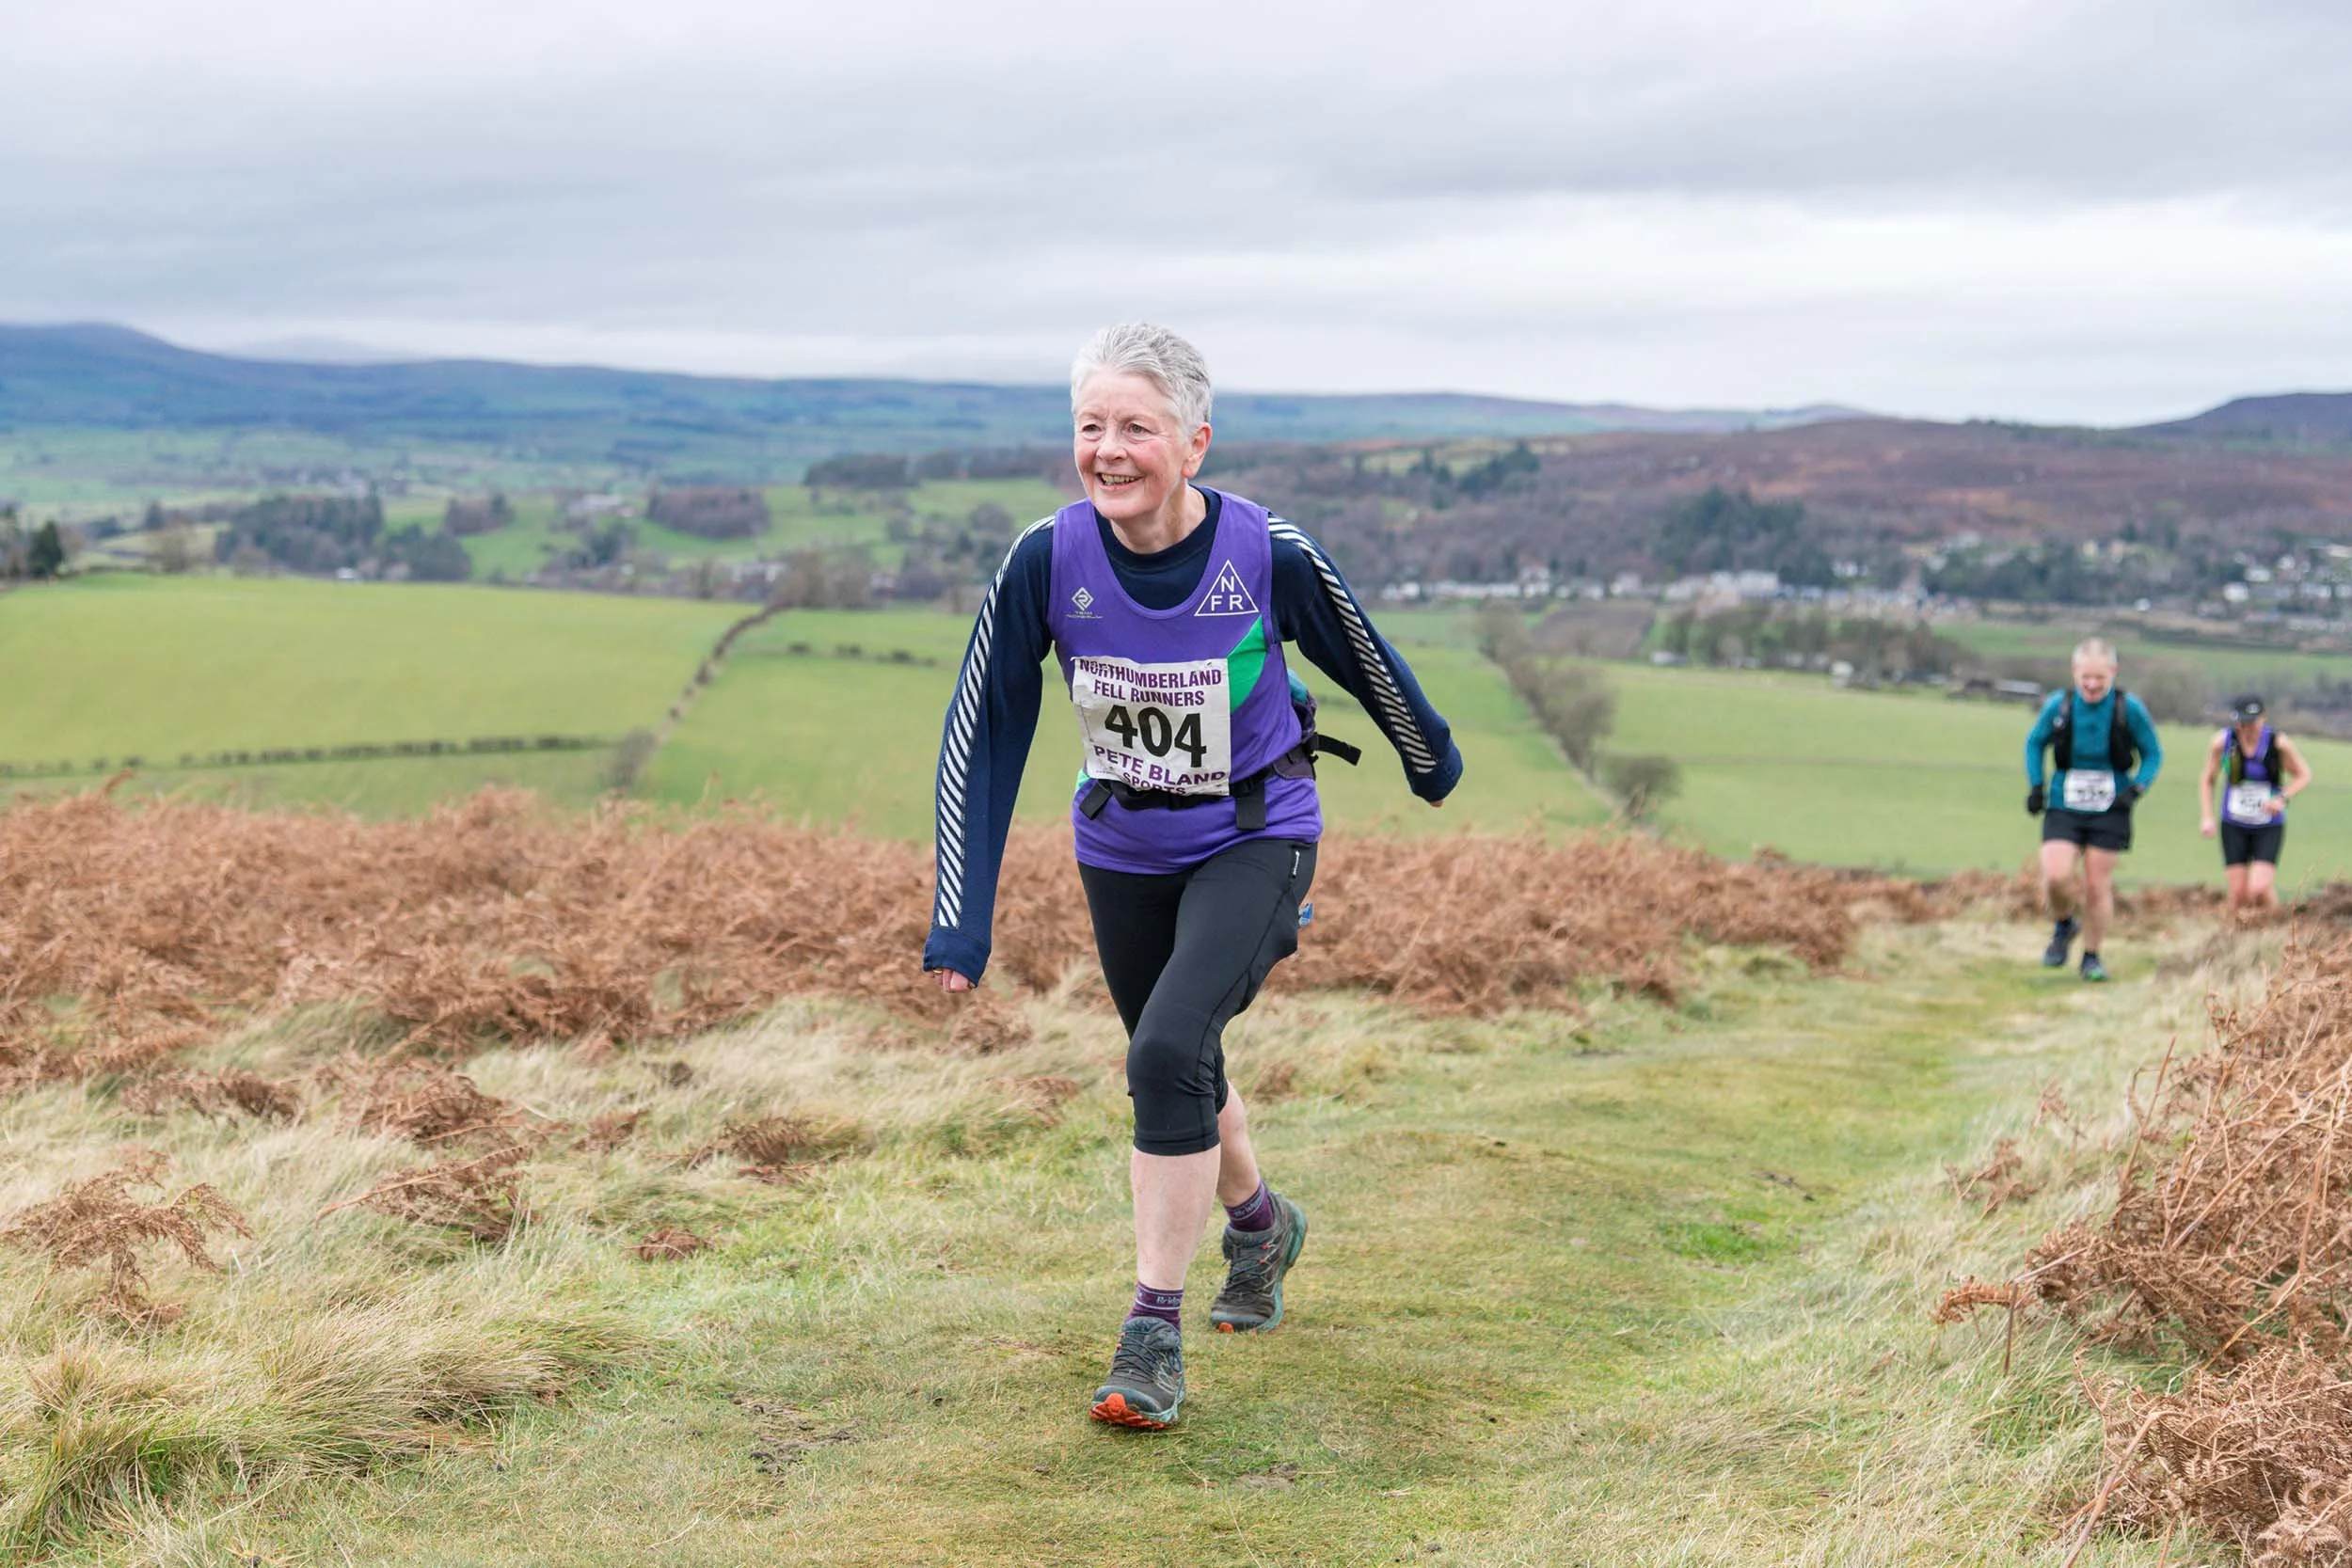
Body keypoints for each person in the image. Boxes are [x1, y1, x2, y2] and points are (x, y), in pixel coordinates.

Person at [923, 324, 1462, 1432]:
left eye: (1135, 426)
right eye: (1088, 426)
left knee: (1165, 1049)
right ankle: (1260, 1222)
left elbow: (1363, 654)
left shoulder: (1270, 552)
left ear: (1194, 443)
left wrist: (1429, 758)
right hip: (1122, 844)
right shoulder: (1045, 558)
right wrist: (958, 922)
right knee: (1180, 1062)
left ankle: (1150, 1330)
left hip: (1257, 831)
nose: (1106, 450)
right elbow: (983, 730)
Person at [2022, 638, 2162, 983]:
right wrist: (2037, 785)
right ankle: (2064, 924)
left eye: (2100, 677)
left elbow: (2153, 753)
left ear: (2113, 672)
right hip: (2064, 801)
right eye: (2086, 677)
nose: (2092, 684)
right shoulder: (2059, 705)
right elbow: (2034, 742)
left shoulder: (2129, 708)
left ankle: (2092, 956)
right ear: (2075, 672)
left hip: (2111, 806)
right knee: (2056, 876)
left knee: (2097, 885)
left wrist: (2137, 788)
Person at [2198, 694, 2310, 915]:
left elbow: (2303, 775)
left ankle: (2275, 923)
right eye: (2242, 722)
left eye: (2252, 722)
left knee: (2258, 888)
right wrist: (2207, 816)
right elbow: (2207, 780)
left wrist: (2282, 798)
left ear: (2263, 718)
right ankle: (2234, 935)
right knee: (2239, 893)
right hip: (2234, 822)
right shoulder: (2223, 742)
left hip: (2268, 824)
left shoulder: (2278, 743)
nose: (2246, 728)